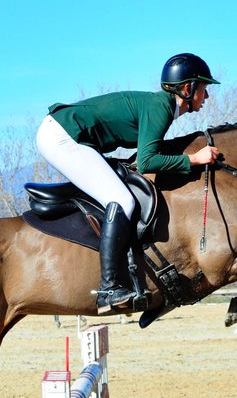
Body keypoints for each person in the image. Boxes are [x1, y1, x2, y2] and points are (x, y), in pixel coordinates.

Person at [35, 53, 224, 313]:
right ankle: (109, 288)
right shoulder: (161, 108)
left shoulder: (161, 106)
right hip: (62, 137)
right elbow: (148, 162)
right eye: (203, 88)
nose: (207, 96)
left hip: (65, 133)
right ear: (187, 88)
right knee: (122, 200)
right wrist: (193, 159)